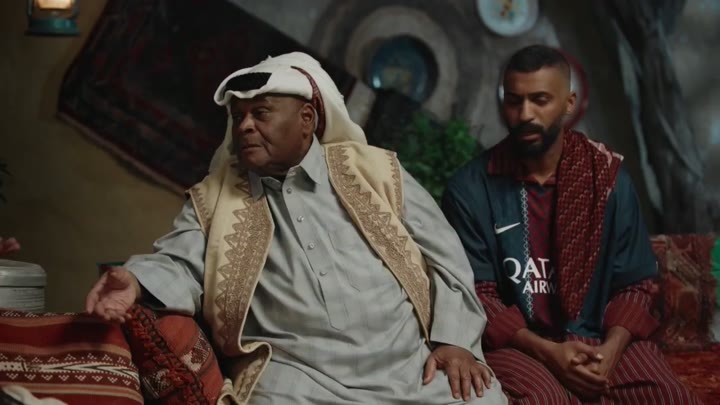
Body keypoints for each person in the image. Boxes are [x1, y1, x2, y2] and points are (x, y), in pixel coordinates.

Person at [85, 52, 507, 405]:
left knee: (481, 398)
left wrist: (453, 341)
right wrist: (135, 281)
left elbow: (446, 258)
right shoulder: (214, 199)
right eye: (238, 116)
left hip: (409, 366)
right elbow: (180, 262)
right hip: (300, 379)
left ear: (307, 119)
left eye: (260, 113)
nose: (244, 126)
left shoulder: (375, 171)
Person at [442, 45, 702, 404]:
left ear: (568, 103)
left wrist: (610, 352)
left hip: (600, 336)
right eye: (514, 101)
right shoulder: (470, 189)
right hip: (518, 342)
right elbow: (477, 294)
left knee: (670, 397)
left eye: (540, 100)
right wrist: (549, 353)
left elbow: (636, 283)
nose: (525, 114)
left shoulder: (607, 179)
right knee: (545, 399)